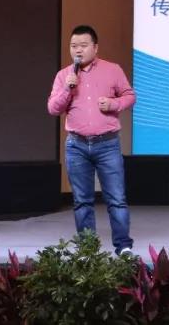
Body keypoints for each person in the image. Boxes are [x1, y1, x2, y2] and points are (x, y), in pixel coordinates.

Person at [47, 24, 136, 256]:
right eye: (73, 46)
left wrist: (114, 104)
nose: (78, 50)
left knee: (116, 198)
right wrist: (67, 89)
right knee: (82, 200)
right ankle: (88, 250)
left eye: (83, 45)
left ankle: (124, 247)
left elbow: (130, 96)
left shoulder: (112, 70)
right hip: (76, 145)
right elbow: (53, 108)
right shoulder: (64, 76)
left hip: (107, 144)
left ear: (95, 48)